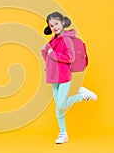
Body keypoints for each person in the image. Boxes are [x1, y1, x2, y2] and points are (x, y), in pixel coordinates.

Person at [41, 11, 97, 144]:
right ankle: (63, 133)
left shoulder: (66, 39)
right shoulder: (53, 40)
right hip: (53, 75)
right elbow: (49, 58)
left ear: (62, 23)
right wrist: (46, 53)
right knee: (58, 106)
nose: (54, 27)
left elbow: (71, 58)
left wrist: (53, 54)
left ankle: (82, 95)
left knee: (61, 103)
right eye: (51, 25)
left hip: (64, 75)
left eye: (56, 23)